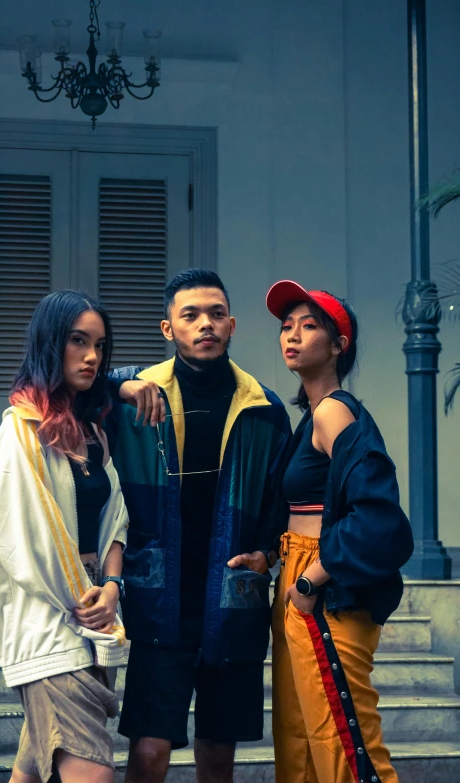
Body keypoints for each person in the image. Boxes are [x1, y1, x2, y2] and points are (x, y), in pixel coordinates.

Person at [104, 269, 291, 783]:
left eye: (215, 314)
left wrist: (269, 557)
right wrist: (119, 383)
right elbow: (62, 382)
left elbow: (282, 502)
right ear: (169, 329)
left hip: (231, 598)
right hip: (160, 594)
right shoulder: (135, 396)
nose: (204, 324)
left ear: (231, 325)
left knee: (218, 750)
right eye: (190, 315)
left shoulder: (266, 411)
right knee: (148, 748)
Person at [262, 280, 414, 783]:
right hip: (300, 576)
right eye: (287, 326)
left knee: (346, 747)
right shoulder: (309, 418)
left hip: (325, 587)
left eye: (310, 326)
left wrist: (310, 582)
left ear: (338, 345)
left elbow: (379, 518)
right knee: (302, 740)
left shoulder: (333, 411)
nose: (293, 335)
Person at [0, 290, 129, 783]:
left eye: (100, 345)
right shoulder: (20, 430)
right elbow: (17, 534)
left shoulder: (94, 432)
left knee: (32, 766)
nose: (91, 357)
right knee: (93, 773)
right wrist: (84, 601)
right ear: (50, 344)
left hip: (92, 605)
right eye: (77, 341)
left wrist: (110, 588)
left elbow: (116, 519)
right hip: (50, 616)